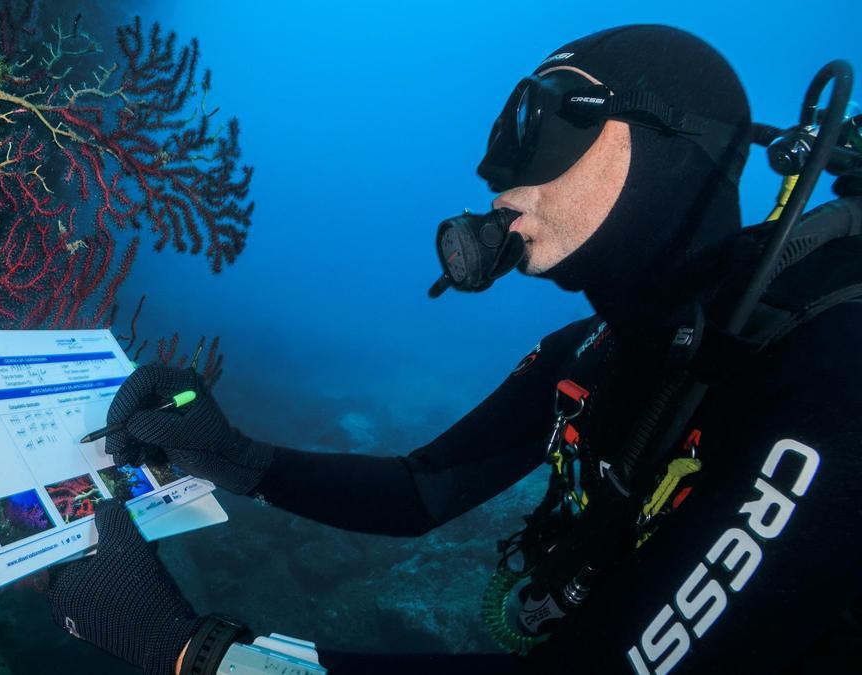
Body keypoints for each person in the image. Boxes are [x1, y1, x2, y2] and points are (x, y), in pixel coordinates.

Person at [45, 25, 862, 675]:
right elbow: (420, 492)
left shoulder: (831, 365)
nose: (494, 174)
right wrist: (236, 455)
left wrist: (198, 656)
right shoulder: (590, 353)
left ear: (667, 145)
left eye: (539, 125)